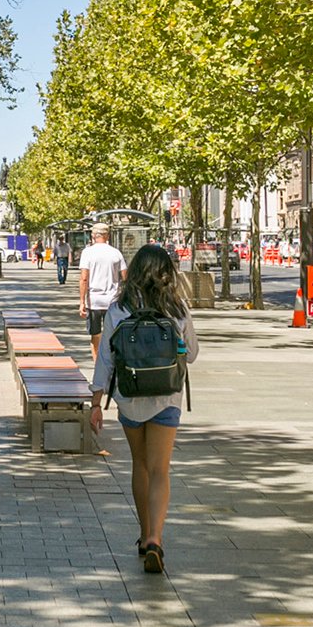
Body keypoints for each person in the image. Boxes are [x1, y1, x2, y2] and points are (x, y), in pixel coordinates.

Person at [89, 243, 199, 574]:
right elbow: (191, 354)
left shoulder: (118, 310)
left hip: (130, 396)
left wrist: (96, 404)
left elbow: (105, 360)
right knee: (160, 469)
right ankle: (155, 538)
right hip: (166, 397)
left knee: (140, 465)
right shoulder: (176, 310)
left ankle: (141, 533)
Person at [79, 221, 126, 359]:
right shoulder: (116, 253)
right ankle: (111, 363)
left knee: (95, 335)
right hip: (112, 301)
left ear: (93, 235)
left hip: (94, 301)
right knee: (112, 334)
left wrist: (82, 302)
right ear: (108, 236)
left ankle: (97, 365)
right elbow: (125, 277)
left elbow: (84, 278)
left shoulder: (87, 252)